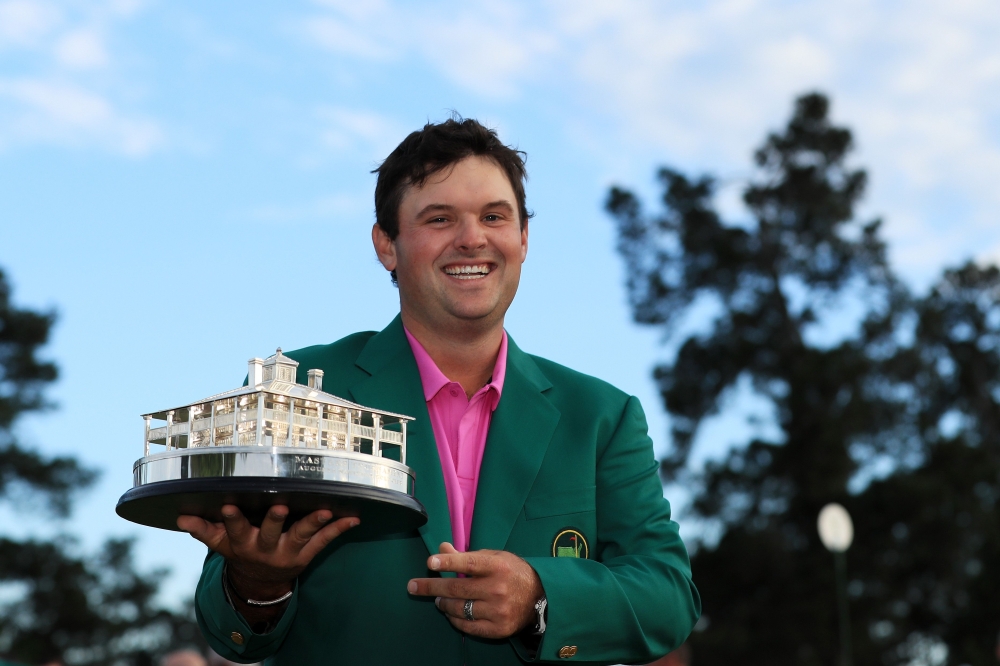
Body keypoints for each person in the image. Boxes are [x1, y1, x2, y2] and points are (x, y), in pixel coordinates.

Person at [182, 118, 700, 664]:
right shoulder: (295, 390)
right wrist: (258, 582)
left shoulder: (601, 416)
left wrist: (541, 597)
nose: (473, 237)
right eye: (440, 218)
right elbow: (226, 626)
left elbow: (667, 595)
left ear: (523, 239)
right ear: (387, 245)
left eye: (494, 216)